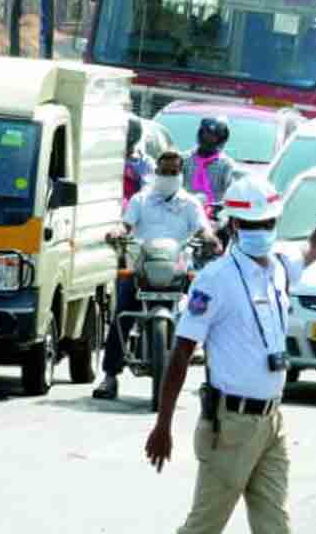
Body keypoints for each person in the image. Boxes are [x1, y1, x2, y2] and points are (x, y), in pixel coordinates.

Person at [102, 136, 316, 534]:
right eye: (251, 226)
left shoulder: (279, 268)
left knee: (275, 530)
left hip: (270, 423)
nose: (261, 233)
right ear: (232, 227)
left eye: (268, 224)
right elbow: (180, 354)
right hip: (230, 424)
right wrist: (162, 424)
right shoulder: (216, 280)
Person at [93, 149, 220, 401]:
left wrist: (210, 239)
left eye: (173, 172)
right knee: (123, 306)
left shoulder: (190, 204)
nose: (168, 176)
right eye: (164, 172)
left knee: (206, 305)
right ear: (156, 173)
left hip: (178, 269)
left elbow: (203, 230)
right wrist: (117, 232)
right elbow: (125, 225)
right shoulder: (141, 200)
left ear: (180, 174)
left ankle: (211, 374)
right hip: (143, 266)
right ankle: (110, 376)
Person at [182, 116, 239, 219]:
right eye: (206, 135)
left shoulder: (225, 164)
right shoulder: (185, 159)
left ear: (221, 139)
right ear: (200, 135)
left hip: (213, 217)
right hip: (185, 212)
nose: (208, 139)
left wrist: (216, 207)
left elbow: (231, 194)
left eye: (214, 137)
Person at [122, 118, 154, 206]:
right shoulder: (110, 159)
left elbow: (148, 190)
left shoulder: (144, 162)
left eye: (132, 133)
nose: (129, 136)